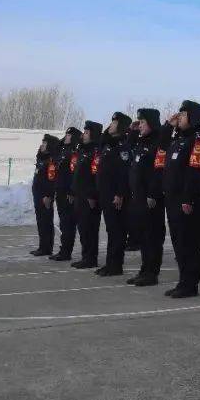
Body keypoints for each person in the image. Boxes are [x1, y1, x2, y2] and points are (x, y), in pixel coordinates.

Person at [160, 100, 200, 298]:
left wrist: (188, 198)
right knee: (179, 243)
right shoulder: (178, 139)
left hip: (186, 201)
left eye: (183, 114)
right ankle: (183, 281)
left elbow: (194, 172)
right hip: (173, 199)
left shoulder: (197, 141)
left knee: (189, 243)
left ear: (193, 118)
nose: (179, 117)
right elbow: (161, 145)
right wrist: (168, 126)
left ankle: (190, 284)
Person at [125, 108, 167, 287]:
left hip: (151, 198)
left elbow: (160, 171)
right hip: (139, 197)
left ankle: (151, 273)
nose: (139, 125)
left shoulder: (158, 143)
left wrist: (153, 193)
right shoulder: (142, 141)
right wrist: (133, 131)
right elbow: (128, 148)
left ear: (151, 122)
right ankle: (144, 269)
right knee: (143, 235)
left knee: (153, 236)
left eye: (142, 122)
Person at [96, 112, 133, 277]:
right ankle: (110, 263)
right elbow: (101, 142)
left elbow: (123, 173)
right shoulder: (109, 144)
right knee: (111, 230)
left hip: (115, 196)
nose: (110, 124)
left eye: (114, 122)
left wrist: (119, 193)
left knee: (117, 231)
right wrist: (107, 131)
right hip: (105, 193)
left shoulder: (123, 146)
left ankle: (116, 265)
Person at [70, 121, 104, 270]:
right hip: (79, 194)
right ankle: (85, 256)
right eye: (84, 132)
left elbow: (95, 176)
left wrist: (92, 195)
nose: (84, 135)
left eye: (87, 132)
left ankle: (91, 258)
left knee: (90, 228)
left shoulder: (96, 152)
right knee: (82, 228)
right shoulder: (83, 151)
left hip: (89, 196)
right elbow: (77, 174)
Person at [49, 127, 81, 262]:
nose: (66, 137)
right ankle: (63, 249)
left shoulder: (74, 152)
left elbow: (74, 174)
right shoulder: (63, 150)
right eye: (66, 134)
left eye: (69, 135)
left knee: (68, 223)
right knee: (63, 223)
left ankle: (66, 251)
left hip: (68, 192)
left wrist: (72, 191)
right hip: (60, 190)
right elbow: (54, 151)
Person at [29, 134, 60, 256]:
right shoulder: (42, 158)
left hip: (45, 196)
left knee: (46, 221)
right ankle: (42, 246)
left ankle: (47, 248)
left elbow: (51, 180)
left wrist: (48, 195)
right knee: (41, 221)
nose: (42, 144)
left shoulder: (51, 161)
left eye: (45, 143)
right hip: (38, 194)